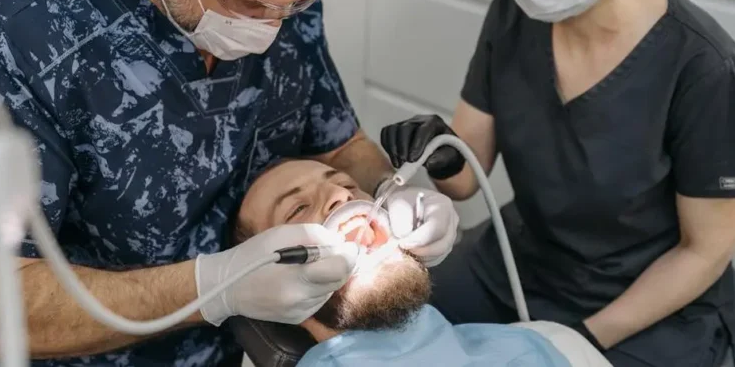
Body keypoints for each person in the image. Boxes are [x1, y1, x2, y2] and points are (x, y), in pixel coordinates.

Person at [0, 0, 459, 365]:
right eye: (250, 5)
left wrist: (392, 191)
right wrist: (211, 289)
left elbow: (338, 144)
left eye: (300, 2)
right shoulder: (20, 45)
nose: (275, 29)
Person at [380, 0, 735, 366]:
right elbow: (465, 181)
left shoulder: (702, 68)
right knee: (387, 336)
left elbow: (705, 252)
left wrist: (580, 340)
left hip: (649, 306)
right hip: (521, 264)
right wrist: (439, 149)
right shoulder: (513, 11)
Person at [234, 158, 612, 367]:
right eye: (297, 208)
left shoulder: (553, 343)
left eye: (348, 185)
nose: (339, 195)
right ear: (272, 288)